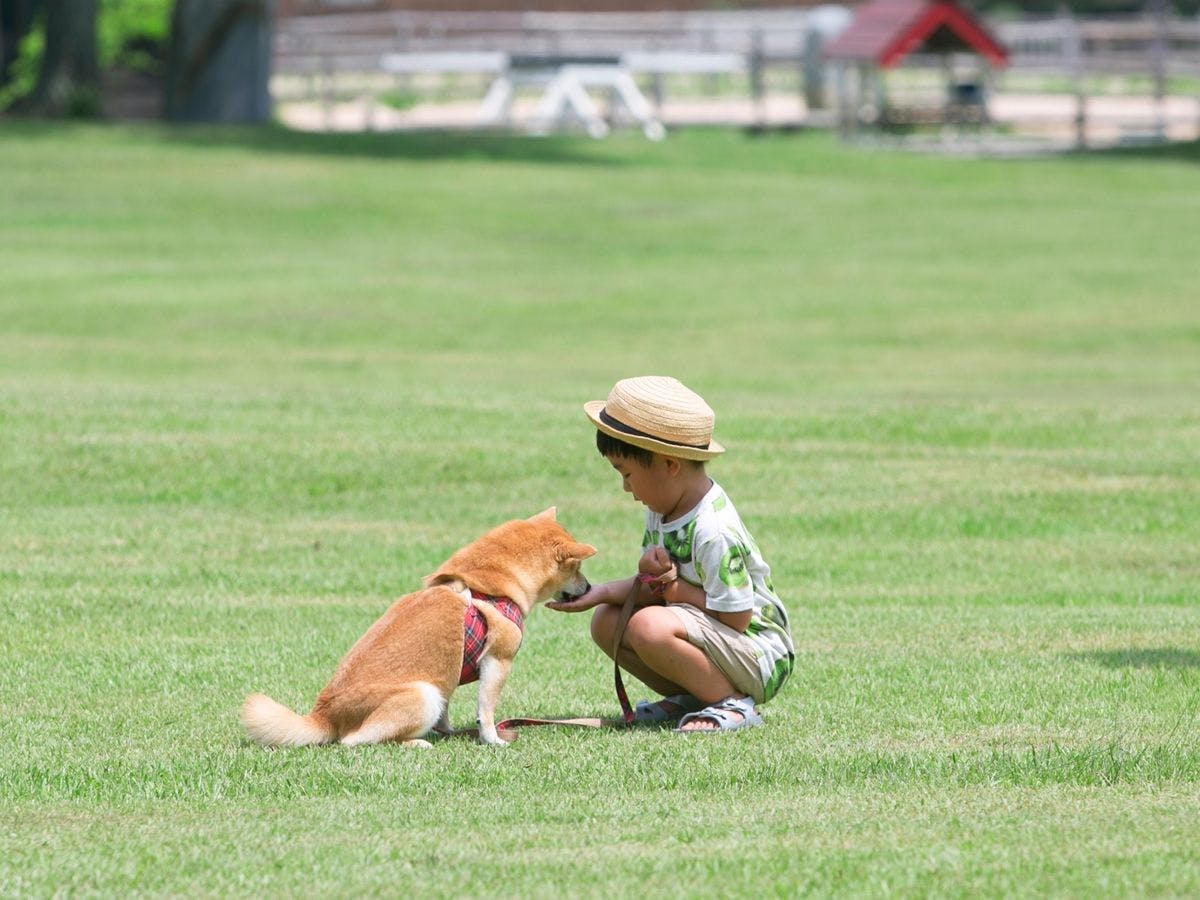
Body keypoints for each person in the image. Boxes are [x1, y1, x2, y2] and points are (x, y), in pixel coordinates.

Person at [548, 375, 794, 732]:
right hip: (716, 637)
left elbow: (736, 617)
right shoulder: (665, 509)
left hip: (756, 653)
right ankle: (695, 696)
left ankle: (733, 705)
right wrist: (598, 593)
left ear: (669, 464)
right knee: (606, 621)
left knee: (649, 626)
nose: (625, 487)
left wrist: (673, 590)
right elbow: (656, 588)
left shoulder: (713, 530)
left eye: (627, 473)